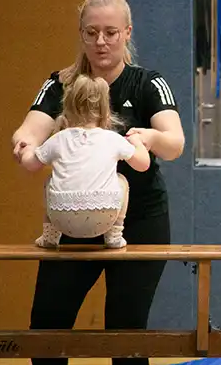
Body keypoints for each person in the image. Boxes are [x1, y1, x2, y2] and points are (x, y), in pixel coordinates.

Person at [11, 0, 185, 365]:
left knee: (125, 327)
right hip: (75, 223)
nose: (101, 42)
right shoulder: (63, 82)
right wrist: (25, 141)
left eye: (111, 32)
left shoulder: (148, 82)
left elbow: (175, 140)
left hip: (138, 220)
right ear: (81, 35)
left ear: (127, 33)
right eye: (92, 33)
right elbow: (33, 126)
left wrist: (144, 135)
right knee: (47, 319)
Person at [17, 73, 150, 249]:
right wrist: (138, 143)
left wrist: (25, 149)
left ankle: (50, 236)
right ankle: (114, 235)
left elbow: (31, 164)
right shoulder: (112, 138)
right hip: (104, 218)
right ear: (105, 109)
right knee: (122, 181)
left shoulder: (59, 138)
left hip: (61, 218)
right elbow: (143, 165)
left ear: (68, 106)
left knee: (50, 181)